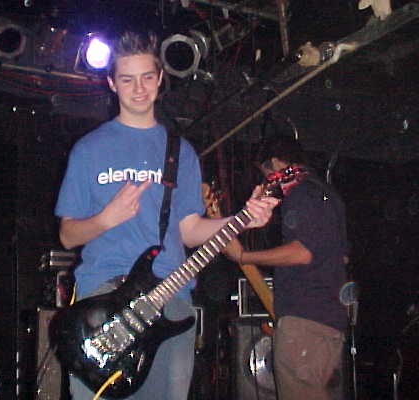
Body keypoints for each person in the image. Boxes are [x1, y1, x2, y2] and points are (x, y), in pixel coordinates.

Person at [54, 31, 279, 400]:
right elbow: (67, 236)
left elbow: (189, 230)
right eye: (127, 79)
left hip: (169, 300)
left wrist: (242, 219)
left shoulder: (180, 152)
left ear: (160, 79)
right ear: (112, 83)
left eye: (147, 77)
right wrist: (107, 218)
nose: (138, 88)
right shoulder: (88, 149)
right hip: (103, 301)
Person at [224, 136, 348, 400]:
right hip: (325, 319)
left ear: (275, 163)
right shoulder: (326, 194)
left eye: (266, 173)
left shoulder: (302, 193)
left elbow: (302, 252)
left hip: (305, 320)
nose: (268, 182)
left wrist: (244, 256)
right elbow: (341, 258)